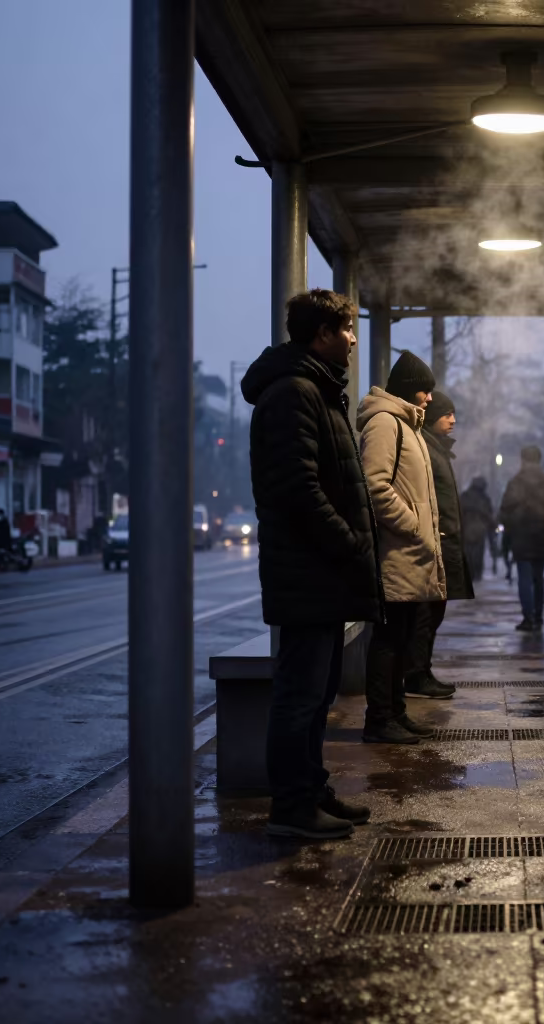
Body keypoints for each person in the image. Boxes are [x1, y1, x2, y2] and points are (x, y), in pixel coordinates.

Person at [241, 288, 380, 841]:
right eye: (346, 329)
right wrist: (348, 540)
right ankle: (291, 806)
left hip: (320, 569)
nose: (352, 338)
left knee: (317, 690)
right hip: (309, 566)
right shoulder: (295, 393)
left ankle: (311, 788)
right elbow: (298, 487)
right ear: (321, 334)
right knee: (300, 692)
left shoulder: (316, 389)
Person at [357, 350, 446, 744]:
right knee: (389, 639)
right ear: (411, 390)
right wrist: (412, 524)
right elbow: (374, 484)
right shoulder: (384, 423)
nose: (429, 398)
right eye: (425, 391)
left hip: (410, 550)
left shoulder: (407, 425)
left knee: (402, 637)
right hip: (397, 550)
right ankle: (379, 719)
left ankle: (396, 712)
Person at [404, 391, 473, 699]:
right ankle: (416, 675)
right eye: (447, 414)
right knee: (426, 613)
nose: (453, 419)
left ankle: (422, 671)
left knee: (434, 612)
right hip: (436, 542)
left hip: (444, 539)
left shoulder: (436, 448)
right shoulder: (428, 450)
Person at [500, 446, 544, 631]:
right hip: (541, 536)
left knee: (525, 578)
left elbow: (505, 509)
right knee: (539, 578)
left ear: (522, 459)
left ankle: (528, 618)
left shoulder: (516, 482)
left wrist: (511, 525)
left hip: (521, 536)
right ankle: (539, 616)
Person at [460, 477, 495, 582]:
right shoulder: (485, 499)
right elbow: (489, 515)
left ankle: (470, 573)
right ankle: (477, 573)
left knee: (468, 552)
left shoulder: (464, 497)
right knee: (478, 553)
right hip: (480, 529)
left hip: (466, 528)